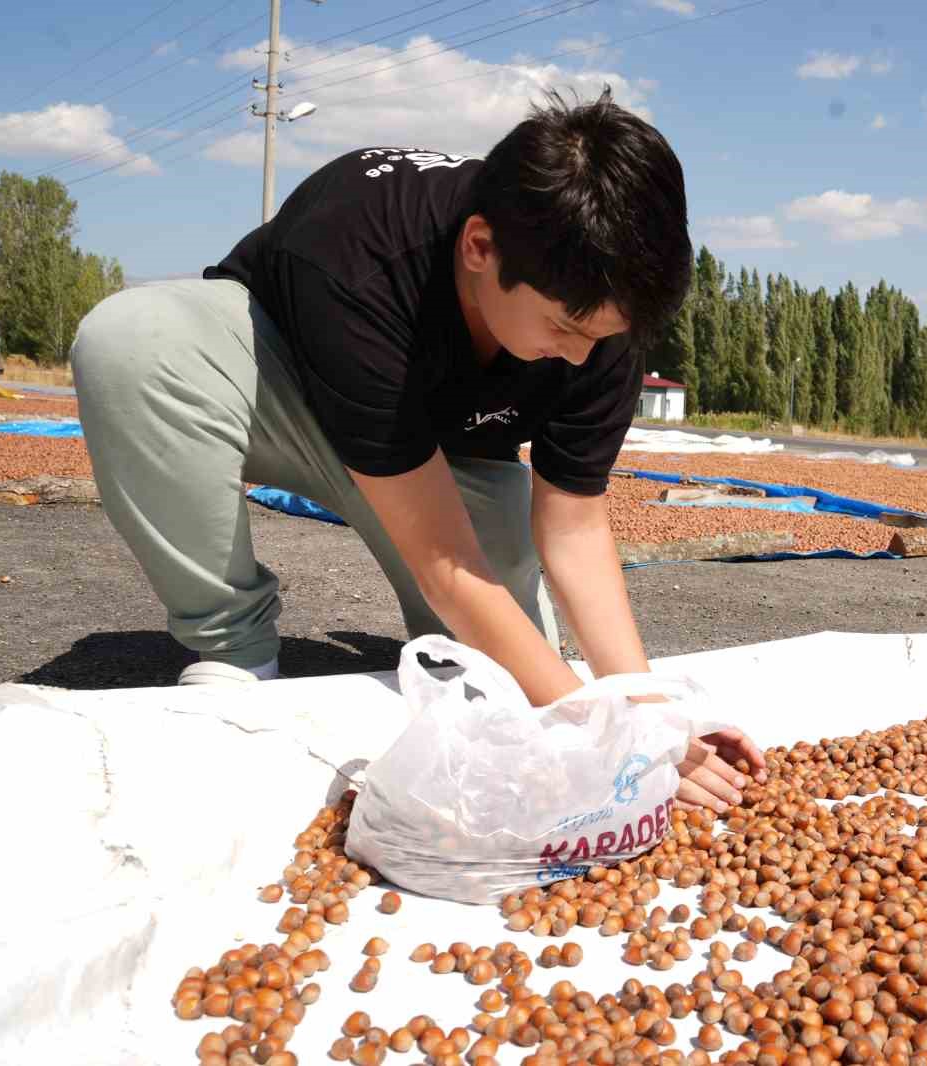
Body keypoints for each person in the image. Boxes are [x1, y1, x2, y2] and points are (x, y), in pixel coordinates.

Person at [70, 88, 765, 812]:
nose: (579, 358)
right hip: (278, 393)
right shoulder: (360, 244)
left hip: (446, 450)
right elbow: (446, 564)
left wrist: (647, 717)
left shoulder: (599, 316)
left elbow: (574, 526)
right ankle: (235, 651)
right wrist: (596, 726)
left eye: (602, 338)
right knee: (135, 342)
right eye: (564, 330)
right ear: (479, 248)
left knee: (496, 689)